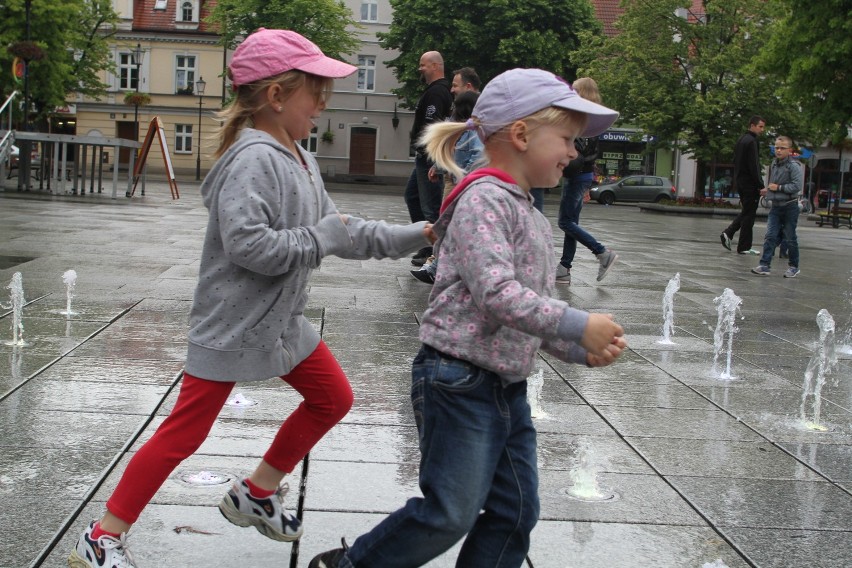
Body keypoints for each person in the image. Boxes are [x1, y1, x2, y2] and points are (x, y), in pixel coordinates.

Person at [67, 29, 434, 568]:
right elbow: (248, 246)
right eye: (316, 90)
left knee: (333, 399)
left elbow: (344, 231)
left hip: (282, 322)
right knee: (181, 436)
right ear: (277, 95)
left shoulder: (299, 158)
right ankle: (101, 537)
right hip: (232, 324)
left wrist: (419, 233)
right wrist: (322, 238)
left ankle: (256, 493)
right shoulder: (251, 159)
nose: (324, 102)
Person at [310, 68, 627, 568]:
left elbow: (527, 314)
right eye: (566, 139)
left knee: (515, 511)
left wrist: (577, 349)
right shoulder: (483, 200)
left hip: (506, 386)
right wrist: (576, 323)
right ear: (521, 135)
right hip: (457, 380)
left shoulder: (527, 212)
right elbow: (498, 296)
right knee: (449, 512)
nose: (574, 152)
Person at [413, 90, 484, 284]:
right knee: (449, 228)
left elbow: (476, 159)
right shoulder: (463, 129)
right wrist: (438, 167)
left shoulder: (473, 132)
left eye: (455, 104)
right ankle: (438, 268)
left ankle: (436, 269)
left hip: (460, 186)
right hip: (455, 183)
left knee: (448, 229)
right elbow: (451, 153)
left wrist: (463, 180)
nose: (452, 107)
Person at [555, 77, 617, 285]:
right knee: (571, 223)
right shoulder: (594, 117)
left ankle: (602, 253)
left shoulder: (582, 117)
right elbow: (592, 155)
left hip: (576, 174)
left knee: (565, 222)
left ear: (581, 91)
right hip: (583, 175)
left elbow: (579, 150)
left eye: (573, 89)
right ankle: (564, 269)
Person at [404, 51, 453, 267]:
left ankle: (434, 253)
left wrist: (431, 156)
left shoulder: (437, 93)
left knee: (430, 207)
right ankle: (426, 243)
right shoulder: (435, 91)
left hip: (429, 157)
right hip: (425, 157)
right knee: (413, 197)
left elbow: (432, 125)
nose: (420, 68)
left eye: (423, 65)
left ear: (435, 66)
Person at [751, 136, 804, 278]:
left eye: (782, 148)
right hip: (776, 207)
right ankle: (764, 265)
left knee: (790, 237)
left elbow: (797, 186)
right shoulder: (774, 164)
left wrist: (778, 187)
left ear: (789, 150)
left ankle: (794, 266)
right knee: (770, 236)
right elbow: (774, 184)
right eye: (777, 147)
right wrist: (768, 191)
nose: (778, 150)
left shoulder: (794, 166)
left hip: (789, 206)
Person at [720, 115, 766, 254]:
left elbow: (736, 161)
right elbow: (754, 165)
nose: (762, 130)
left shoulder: (741, 140)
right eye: (760, 126)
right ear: (752, 125)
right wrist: (760, 185)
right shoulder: (752, 141)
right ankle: (739, 242)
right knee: (748, 214)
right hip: (750, 184)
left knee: (747, 212)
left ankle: (737, 240)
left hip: (741, 182)